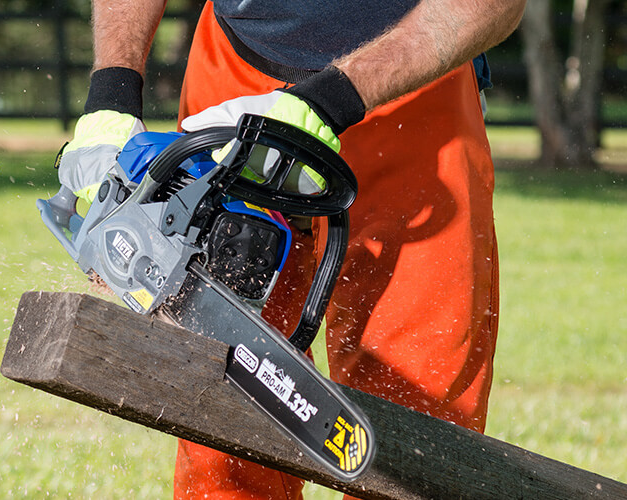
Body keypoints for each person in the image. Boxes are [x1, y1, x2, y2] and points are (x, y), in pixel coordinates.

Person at [57, 1, 527, 498]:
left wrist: (331, 98)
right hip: (234, 69)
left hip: (417, 75)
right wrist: (112, 91)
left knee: (421, 416)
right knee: (222, 404)